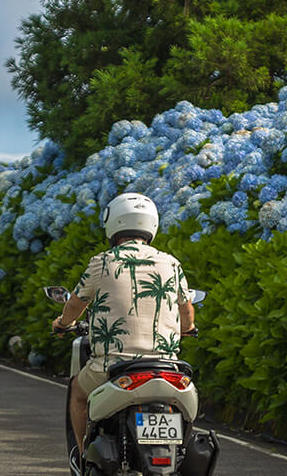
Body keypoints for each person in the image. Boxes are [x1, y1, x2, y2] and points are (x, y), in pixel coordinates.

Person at [51, 192, 195, 459]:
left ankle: (83, 458)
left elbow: (75, 304)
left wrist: (62, 323)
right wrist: (188, 327)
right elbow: (186, 309)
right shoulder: (171, 264)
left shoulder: (102, 262)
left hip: (113, 367)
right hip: (166, 367)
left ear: (112, 223)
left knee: (79, 392)